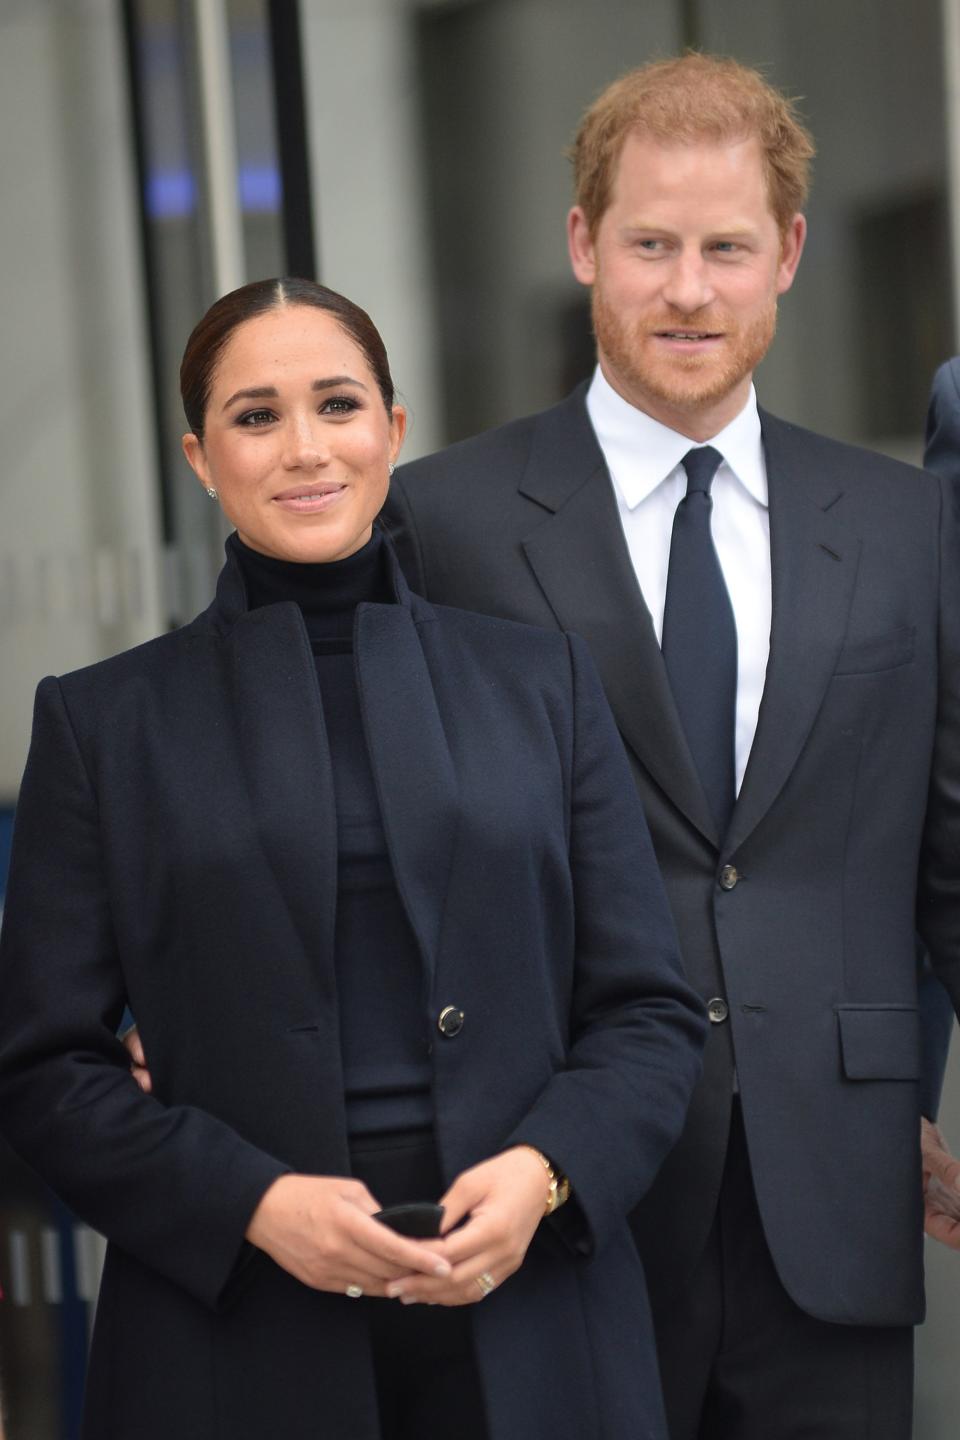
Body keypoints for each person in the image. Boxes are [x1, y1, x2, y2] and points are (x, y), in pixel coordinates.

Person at [0, 278, 706, 1440]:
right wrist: (253, 1204)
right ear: (198, 455)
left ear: (394, 428)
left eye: (337, 405)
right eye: (256, 416)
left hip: (530, 1309)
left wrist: (546, 1173)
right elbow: (44, 1068)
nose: (305, 450)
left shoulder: (544, 685)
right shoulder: (102, 723)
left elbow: (645, 1010)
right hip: (231, 1331)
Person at [383, 53, 960, 1440]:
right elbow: (377, 841)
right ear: (584, 242)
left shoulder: (905, 526)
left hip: (834, 1186)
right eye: (650, 244)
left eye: (726, 248)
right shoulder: (440, 523)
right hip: (556, 1186)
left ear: (790, 255)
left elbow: (946, 850)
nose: (688, 289)